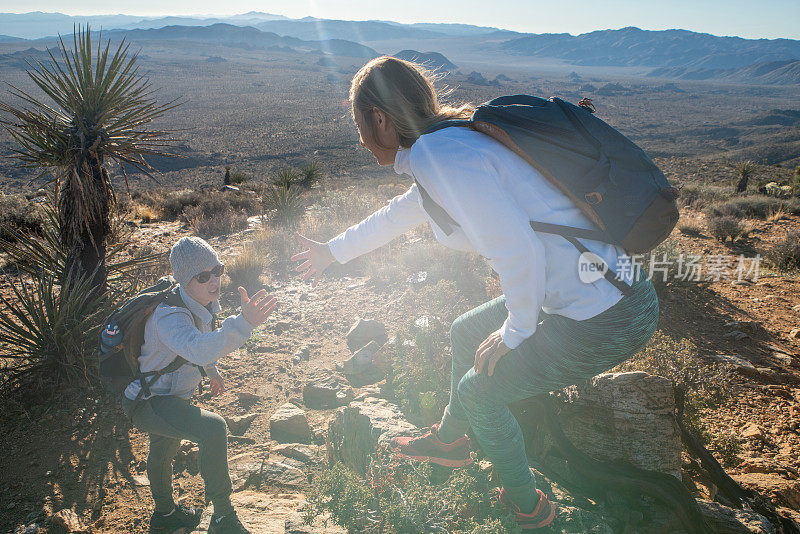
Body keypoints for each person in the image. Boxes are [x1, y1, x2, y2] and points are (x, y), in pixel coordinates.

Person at [291, 56, 659, 530]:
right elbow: (398, 214)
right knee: (465, 331)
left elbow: (518, 249)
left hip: (609, 316)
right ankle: (449, 443)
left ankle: (529, 511)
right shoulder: (448, 147)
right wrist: (332, 252)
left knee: (480, 392)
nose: (361, 139)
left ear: (379, 118)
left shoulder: (438, 155)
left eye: (360, 123)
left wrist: (516, 330)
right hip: (599, 298)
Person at [121, 236, 277, 534]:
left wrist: (211, 371)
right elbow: (197, 347)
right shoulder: (170, 316)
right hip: (148, 403)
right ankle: (222, 517)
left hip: (166, 397)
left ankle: (165, 516)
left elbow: (200, 343)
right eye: (203, 276)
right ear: (184, 280)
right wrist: (244, 323)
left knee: (164, 447)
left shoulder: (197, 302)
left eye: (217, 269)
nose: (214, 280)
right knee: (213, 428)